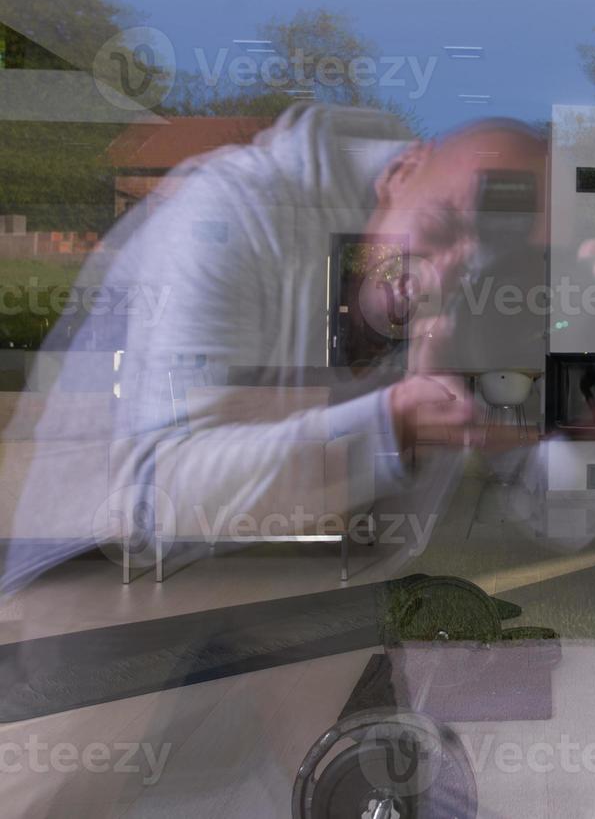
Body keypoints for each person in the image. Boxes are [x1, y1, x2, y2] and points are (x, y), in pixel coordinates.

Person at [0, 103, 549, 591]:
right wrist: (390, 427)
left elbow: (382, 547)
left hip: (269, 599)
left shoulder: (443, 319)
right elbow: (152, 500)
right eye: (444, 226)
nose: (444, 275)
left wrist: (430, 431)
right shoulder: (231, 213)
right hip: (80, 588)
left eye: (489, 264)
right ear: (402, 172)